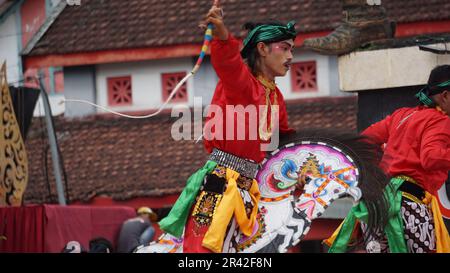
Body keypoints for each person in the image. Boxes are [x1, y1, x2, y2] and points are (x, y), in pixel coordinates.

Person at [158, 0, 296, 253]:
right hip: (220, 185)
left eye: (291, 50)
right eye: (285, 48)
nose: (290, 57)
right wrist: (222, 35)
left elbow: (282, 143)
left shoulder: (276, 97)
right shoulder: (241, 83)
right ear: (263, 49)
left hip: (251, 191)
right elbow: (228, 63)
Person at [325, 65, 450, 253]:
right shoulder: (440, 121)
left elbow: (365, 140)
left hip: (376, 206)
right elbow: (431, 157)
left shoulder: (402, 115)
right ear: (446, 96)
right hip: (407, 208)